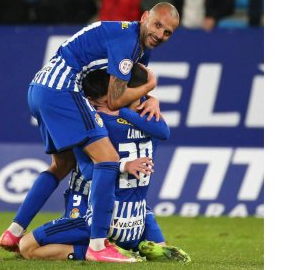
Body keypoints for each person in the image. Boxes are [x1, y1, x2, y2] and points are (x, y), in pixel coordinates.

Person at [0, 2, 180, 262]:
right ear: (144, 18)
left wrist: (151, 97)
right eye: (158, 25)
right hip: (63, 90)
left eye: (168, 32)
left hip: (40, 88)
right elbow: (116, 100)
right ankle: (97, 245)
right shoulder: (128, 41)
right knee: (107, 159)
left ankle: (14, 232)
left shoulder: (136, 45)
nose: (160, 34)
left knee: (61, 166)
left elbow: (133, 88)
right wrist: (151, 84)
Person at [18, 69, 191, 263]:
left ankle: (95, 252)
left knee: (26, 246)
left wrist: (122, 165)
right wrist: (149, 99)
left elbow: (89, 170)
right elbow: (163, 131)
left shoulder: (95, 124)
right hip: (138, 221)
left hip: (97, 215)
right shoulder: (151, 124)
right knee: (149, 225)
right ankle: (148, 246)